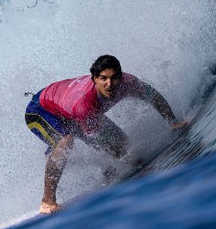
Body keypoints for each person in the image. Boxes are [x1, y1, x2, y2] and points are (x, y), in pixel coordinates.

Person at [24, 54, 188, 214]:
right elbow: (100, 142)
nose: (109, 84)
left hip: (70, 110)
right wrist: (114, 160)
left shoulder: (129, 83)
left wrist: (172, 121)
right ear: (94, 79)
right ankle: (47, 202)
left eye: (114, 78)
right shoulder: (84, 105)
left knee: (128, 152)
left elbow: (153, 96)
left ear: (121, 77)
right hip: (40, 110)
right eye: (103, 78)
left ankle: (59, 156)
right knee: (66, 141)